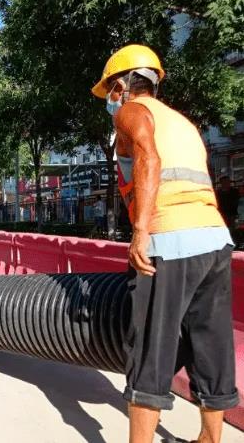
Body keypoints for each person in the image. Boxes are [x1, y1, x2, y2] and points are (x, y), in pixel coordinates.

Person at [92, 44, 238, 443]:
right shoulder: (183, 122)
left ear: (123, 84)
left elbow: (148, 158)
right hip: (214, 239)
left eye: (110, 91)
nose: (110, 101)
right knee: (211, 343)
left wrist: (140, 231)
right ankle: (210, 439)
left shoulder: (131, 112)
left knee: (151, 349)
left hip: (169, 238)